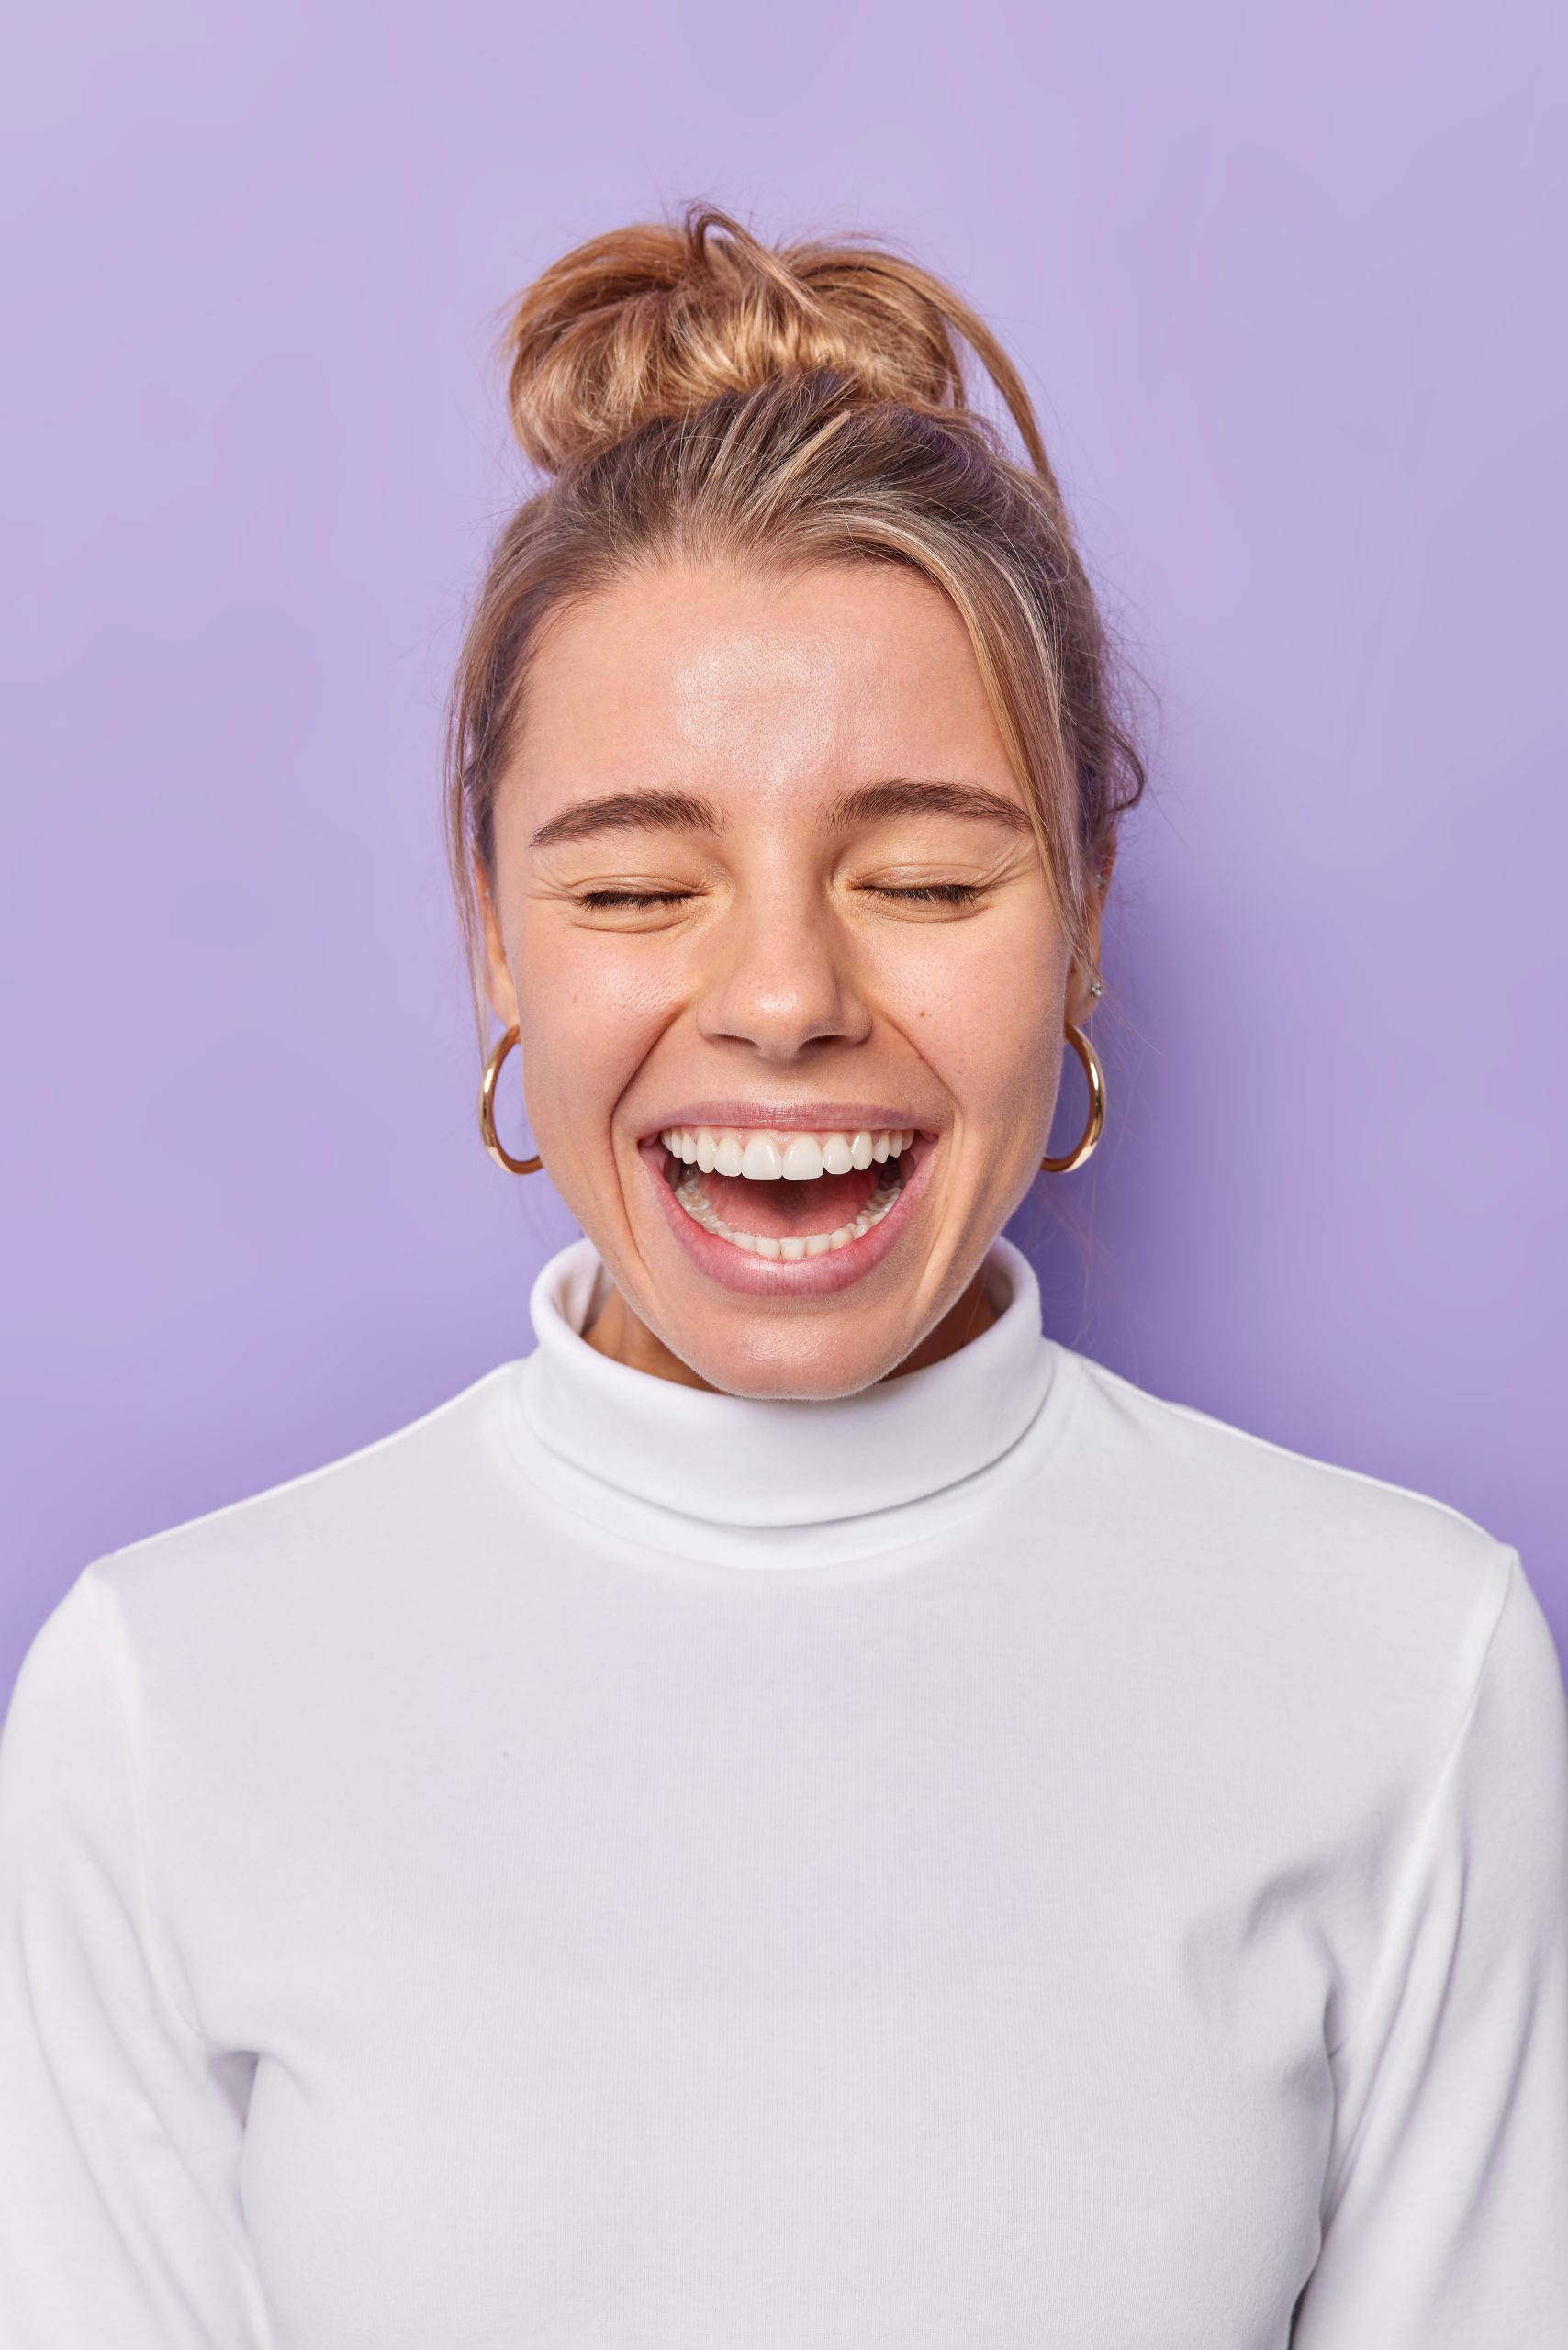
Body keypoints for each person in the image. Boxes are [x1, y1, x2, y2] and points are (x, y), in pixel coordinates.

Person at [2, 206, 1564, 2350]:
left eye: (922, 873)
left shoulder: (1408, 1665)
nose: (781, 996)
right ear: (493, 934)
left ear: (1082, 912)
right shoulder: (162, 1703)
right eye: (636, 879)